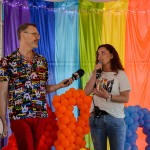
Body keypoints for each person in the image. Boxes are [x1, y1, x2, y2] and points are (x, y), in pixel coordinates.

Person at [0, 23, 73, 150]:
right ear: (23, 35)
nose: (38, 37)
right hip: (20, 115)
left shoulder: (42, 61)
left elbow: (42, 89)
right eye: (35, 34)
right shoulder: (7, 62)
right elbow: (3, 93)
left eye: (38, 34)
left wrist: (59, 85)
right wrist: (3, 120)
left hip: (40, 114)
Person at [84, 44, 131, 150]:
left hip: (115, 120)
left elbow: (125, 98)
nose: (99, 56)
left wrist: (108, 96)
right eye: (98, 54)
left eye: (103, 53)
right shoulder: (96, 73)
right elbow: (86, 92)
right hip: (96, 119)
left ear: (111, 56)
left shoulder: (120, 74)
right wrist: (95, 72)